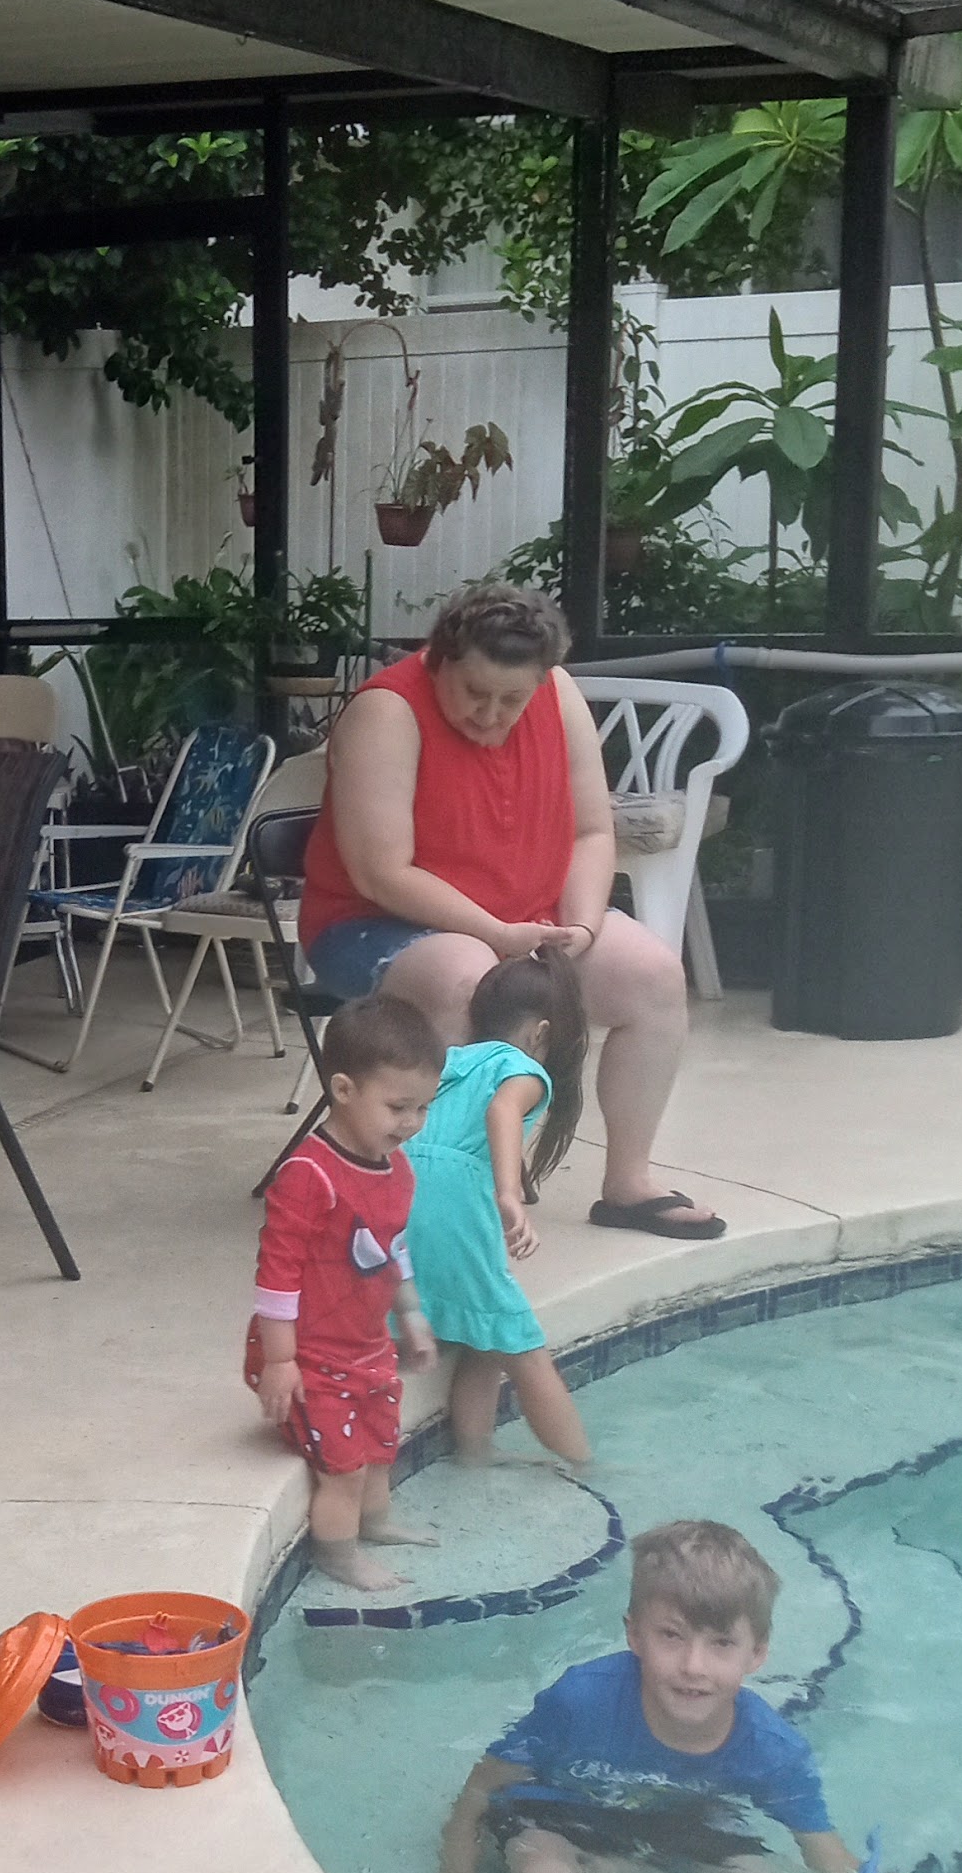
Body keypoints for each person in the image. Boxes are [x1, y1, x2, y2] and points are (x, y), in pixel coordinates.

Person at [298, 578, 723, 1242]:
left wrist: (580, 926)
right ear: (439, 660)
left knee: (653, 976)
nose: (491, 715)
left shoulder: (560, 697)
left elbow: (590, 831)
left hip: (524, 917)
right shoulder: (387, 709)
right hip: (376, 925)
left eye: (512, 700)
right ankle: (444, 1193)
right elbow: (380, 871)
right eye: (474, 694)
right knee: (466, 975)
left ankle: (628, 1182)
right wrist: (496, 934)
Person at [423, 1518, 920, 1873]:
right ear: (634, 1635)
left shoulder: (772, 1750)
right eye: (671, 1635)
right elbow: (483, 1787)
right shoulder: (581, 1701)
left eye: (722, 1643)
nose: (693, 1667)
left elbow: (826, 1856)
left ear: (757, 1654)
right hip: (558, 1811)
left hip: (676, 1823)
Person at [248, 990, 443, 1592]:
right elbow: (276, 1278)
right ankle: (339, 1554)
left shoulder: (397, 1168)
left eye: (422, 1108)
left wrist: (411, 1315)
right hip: (311, 1356)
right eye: (398, 1107)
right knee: (344, 1470)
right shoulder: (309, 1176)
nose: (410, 1123)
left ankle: (377, 1524)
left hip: (365, 1346)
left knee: (384, 1444)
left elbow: (393, 1248)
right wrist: (280, 1363)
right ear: (344, 1090)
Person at [402, 946, 595, 1482]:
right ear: (541, 1033)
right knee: (521, 1344)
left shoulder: (450, 1059)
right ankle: (589, 1465)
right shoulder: (525, 1069)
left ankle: (475, 1452)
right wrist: (509, 1193)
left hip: (394, 1189)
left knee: (482, 1334)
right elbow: (502, 1110)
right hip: (451, 1201)